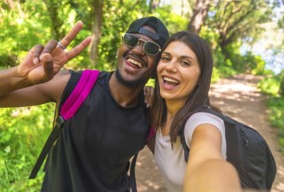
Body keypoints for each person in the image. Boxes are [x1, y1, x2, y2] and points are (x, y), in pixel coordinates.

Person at [0, 17, 169, 191]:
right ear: (120, 48)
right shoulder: (76, 86)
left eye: (151, 48)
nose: (139, 50)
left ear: (158, 67)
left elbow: (177, 169)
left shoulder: (151, 112)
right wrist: (20, 76)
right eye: (131, 40)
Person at [148, 31, 241, 192]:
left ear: (201, 78)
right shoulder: (157, 114)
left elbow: (208, 160)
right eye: (166, 58)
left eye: (185, 63)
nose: (170, 67)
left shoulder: (202, 124)